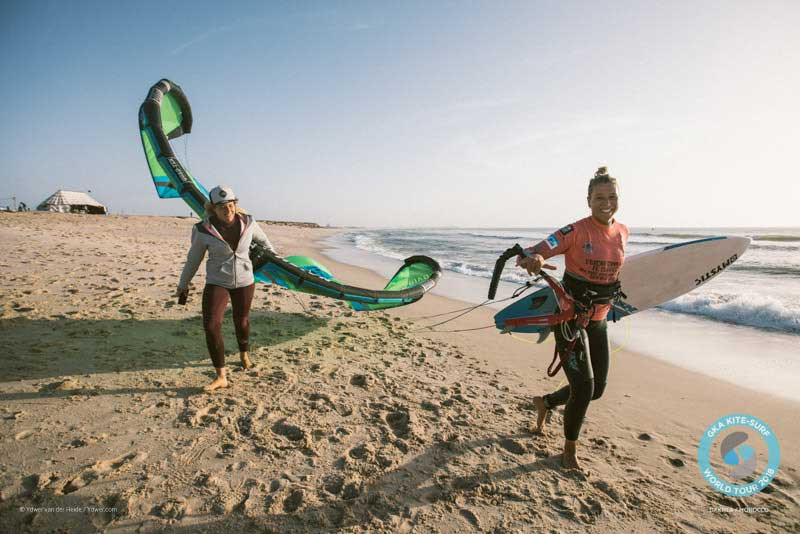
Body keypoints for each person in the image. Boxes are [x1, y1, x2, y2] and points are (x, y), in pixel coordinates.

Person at [517, 167, 629, 469]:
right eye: (599, 197)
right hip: (569, 317)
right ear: (588, 200)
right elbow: (541, 248)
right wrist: (535, 258)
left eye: (612, 196)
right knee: (583, 388)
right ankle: (568, 452)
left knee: (598, 389)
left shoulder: (623, 232)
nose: (606, 202)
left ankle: (546, 402)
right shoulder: (575, 231)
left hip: (599, 318)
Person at [176, 185, 276, 393]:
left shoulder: (249, 222)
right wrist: (183, 283)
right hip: (217, 281)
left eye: (230, 205)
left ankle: (244, 355)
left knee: (242, 320)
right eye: (222, 207)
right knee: (211, 325)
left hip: (245, 280)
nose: (227, 210)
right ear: (213, 208)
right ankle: (221, 376)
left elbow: (265, 243)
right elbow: (193, 259)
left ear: (235, 205)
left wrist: (273, 263)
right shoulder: (202, 229)